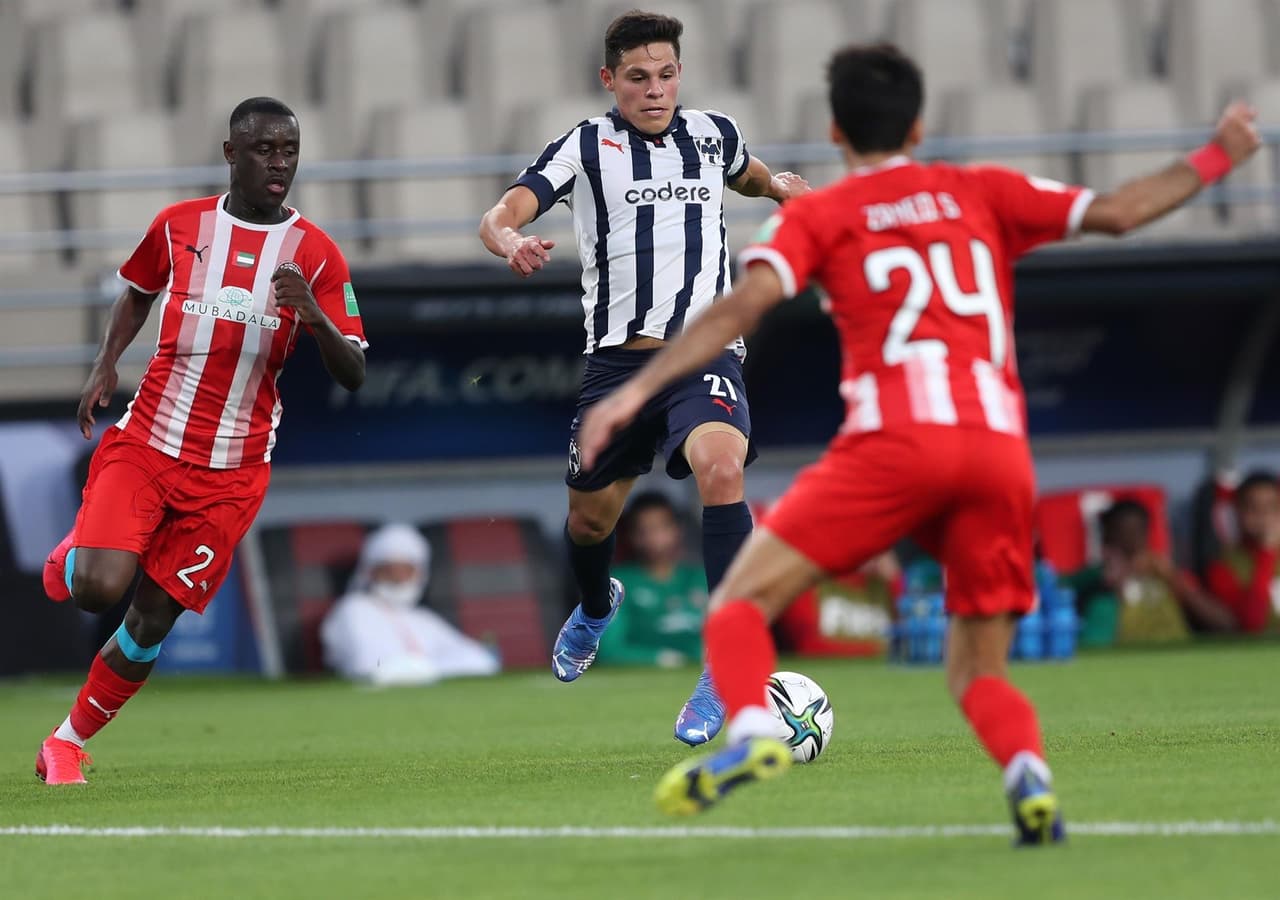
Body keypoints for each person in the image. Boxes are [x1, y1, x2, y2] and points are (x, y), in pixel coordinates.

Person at [576, 43, 1260, 843]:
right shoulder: (980, 191)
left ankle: (757, 732)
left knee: (737, 604)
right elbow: (1117, 212)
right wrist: (1220, 153)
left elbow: (740, 309)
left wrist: (631, 391)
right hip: (999, 453)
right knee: (977, 668)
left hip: (894, 445)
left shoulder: (823, 215)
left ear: (835, 132)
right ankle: (1028, 780)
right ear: (920, 123)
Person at [477, 10, 808, 745]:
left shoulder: (713, 133)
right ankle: (595, 606)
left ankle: (727, 662)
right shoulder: (584, 148)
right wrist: (509, 240)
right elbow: (502, 211)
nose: (654, 90)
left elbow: (747, 175)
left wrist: (783, 188)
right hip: (619, 363)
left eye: (665, 74)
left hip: (705, 354)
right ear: (609, 80)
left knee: (723, 470)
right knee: (589, 520)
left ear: (678, 74)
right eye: (637, 77)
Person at [35, 97, 368, 785]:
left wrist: (313, 314)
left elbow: (355, 369)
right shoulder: (180, 226)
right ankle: (75, 558)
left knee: (152, 619)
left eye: (289, 150)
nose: (279, 162)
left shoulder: (316, 254)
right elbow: (135, 292)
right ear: (231, 153)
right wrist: (105, 364)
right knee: (99, 590)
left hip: (233, 473)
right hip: (150, 443)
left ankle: (67, 741)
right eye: (264, 149)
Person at [321, 524, 500, 685]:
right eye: (388, 571)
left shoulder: (423, 618)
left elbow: (480, 660)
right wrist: (436, 667)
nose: (398, 580)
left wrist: (424, 669)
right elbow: (372, 669)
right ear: (369, 572)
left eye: (406, 570)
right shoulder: (353, 610)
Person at [1065, 500, 1233, 646]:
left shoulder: (1168, 573)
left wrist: (1174, 581)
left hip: (1178, 651)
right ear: (1107, 537)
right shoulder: (1097, 578)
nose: (1130, 540)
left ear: (1147, 533)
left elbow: (1225, 625)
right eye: (1122, 533)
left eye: (1136, 532)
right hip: (1125, 657)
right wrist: (1108, 587)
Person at [597, 492, 707, 669]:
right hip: (642, 680)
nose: (653, 538)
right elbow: (609, 651)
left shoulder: (702, 578)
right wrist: (664, 659)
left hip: (702, 677)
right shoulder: (617, 583)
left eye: (660, 528)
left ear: (677, 530)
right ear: (632, 536)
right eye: (643, 530)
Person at [773, 551, 902, 658]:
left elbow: (907, 631)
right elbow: (810, 646)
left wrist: (894, 580)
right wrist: (880, 649)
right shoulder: (808, 582)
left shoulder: (883, 583)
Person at [1205, 471, 1280, 633]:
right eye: (1253, 507)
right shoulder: (1224, 566)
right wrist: (1266, 554)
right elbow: (1251, 624)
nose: (1263, 515)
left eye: (1271, 507)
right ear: (1237, 511)